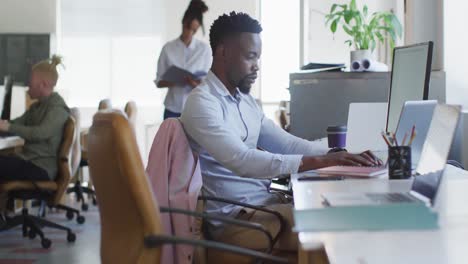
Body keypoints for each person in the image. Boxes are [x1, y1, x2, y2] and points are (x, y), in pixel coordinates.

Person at [180, 12, 382, 257]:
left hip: (265, 204)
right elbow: (242, 161)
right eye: (250, 57)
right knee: (332, 231)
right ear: (223, 53)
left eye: (258, 58)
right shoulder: (202, 103)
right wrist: (320, 162)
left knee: (346, 212)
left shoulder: (245, 101)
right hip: (238, 219)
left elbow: (285, 143)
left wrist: (337, 154)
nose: (256, 66)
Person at [0, 55, 70, 182]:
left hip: (41, 168)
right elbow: (17, 122)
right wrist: (5, 124)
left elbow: (39, 133)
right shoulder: (37, 107)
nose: (27, 87)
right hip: (29, 161)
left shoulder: (57, 110)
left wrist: (8, 127)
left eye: (30, 83)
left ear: (42, 85)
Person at [155, 0, 212, 120]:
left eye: (194, 30)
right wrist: (176, 81)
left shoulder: (204, 50)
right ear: (182, 22)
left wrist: (194, 84)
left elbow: (208, 83)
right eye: (188, 28)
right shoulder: (168, 48)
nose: (189, 33)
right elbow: (159, 81)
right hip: (172, 109)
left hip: (195, 108)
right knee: (171, 139)